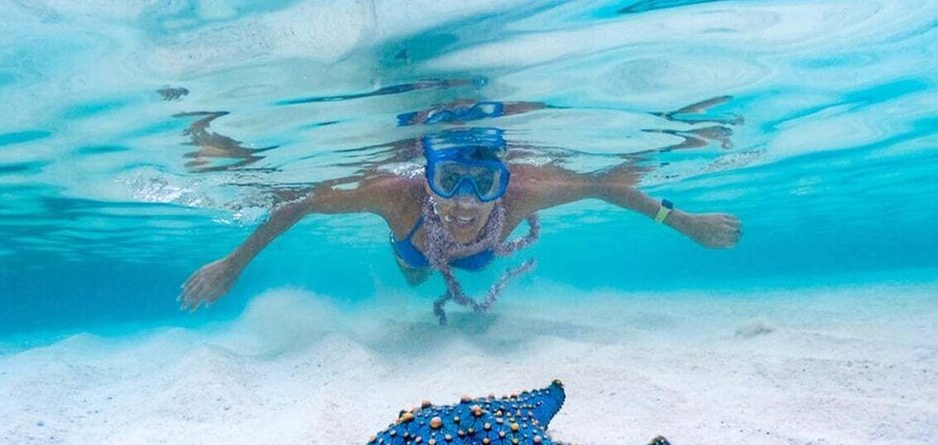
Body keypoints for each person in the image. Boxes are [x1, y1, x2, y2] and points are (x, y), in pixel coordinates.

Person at [179, 101, 741, 322]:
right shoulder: (395, 196)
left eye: (484, 182)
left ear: (504, 182)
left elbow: (604, 185)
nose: (465, 202)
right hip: (412, 251)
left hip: (481, 257)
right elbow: (298, 201)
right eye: (448, 180)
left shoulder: (525, 192)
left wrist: (682, 221)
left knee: (466, 263)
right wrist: (233, 262)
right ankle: (415, 271)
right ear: (426, 176)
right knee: (414, 275)